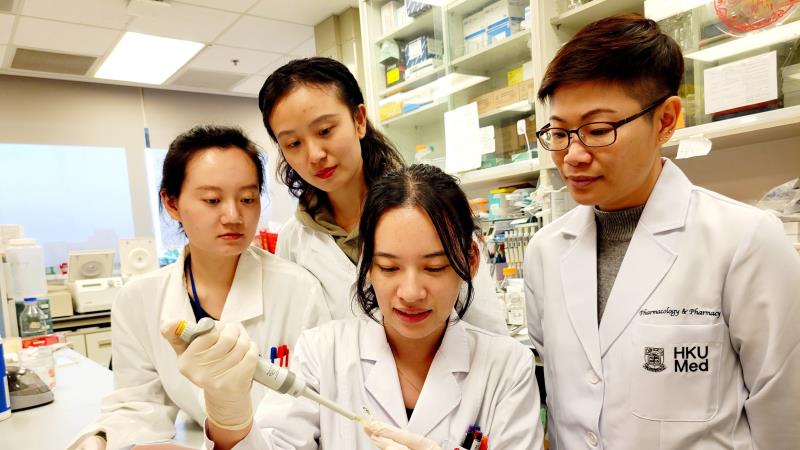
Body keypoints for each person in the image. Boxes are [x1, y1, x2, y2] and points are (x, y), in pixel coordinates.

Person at [524, 14, 800, 450]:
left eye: (598, 130)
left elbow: (785, 417)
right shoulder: (544, 251)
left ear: (666, 121)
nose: (572, 155)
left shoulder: (743, 240)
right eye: (558, 133)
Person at [162, 164, 544, 449]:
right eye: (389, 267)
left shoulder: (508, 366)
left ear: (470, 262)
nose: (410, 292)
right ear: (367, 264)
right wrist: (230, 419)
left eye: (435, 266)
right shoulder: (321, 352)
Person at [70, 126, 332, 449]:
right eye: (212, 200)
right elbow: (138, 405)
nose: (234, 215)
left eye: (248, 198)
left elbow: (309, 418)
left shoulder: (298, 291)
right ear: (172, 203)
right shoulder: (139, 300)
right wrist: (104, 440)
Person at [257, 57, 507, 334]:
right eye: (293, 143)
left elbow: (489, 332)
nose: (314, 155)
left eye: (325, 131)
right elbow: (297, 337)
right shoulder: (294, 241)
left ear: (359, 120)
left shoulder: (432, 209)